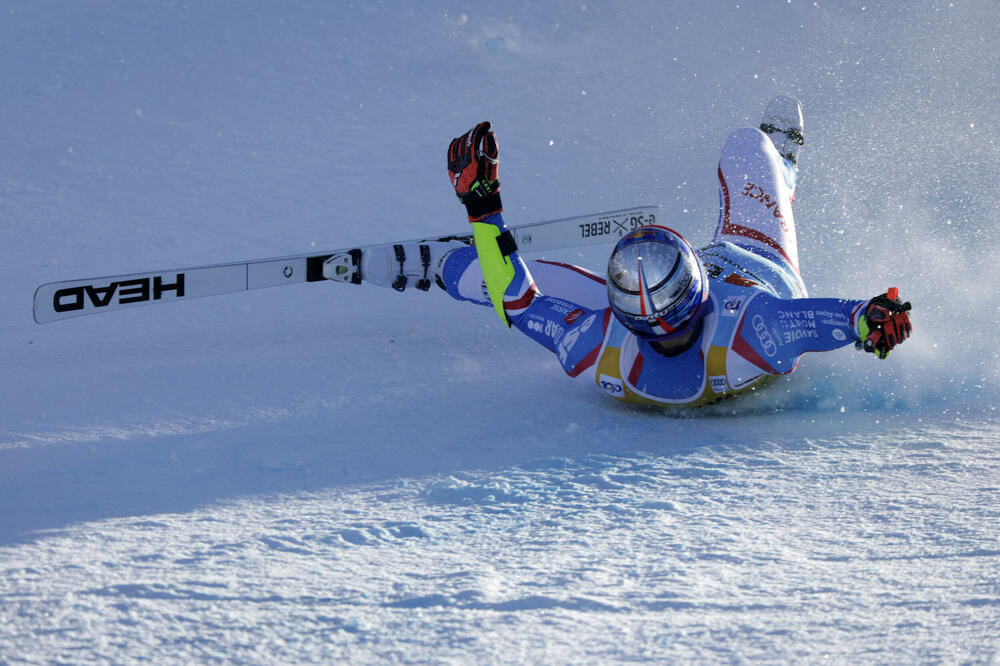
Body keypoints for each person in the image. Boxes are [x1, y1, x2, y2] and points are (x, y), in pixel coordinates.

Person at [347, 97, 913, 407]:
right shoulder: (753, 329)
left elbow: (517, 304)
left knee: (485, 277)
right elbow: (835, 320)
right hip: (753, 259)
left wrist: (483, 210)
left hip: (693, 284)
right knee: (749, 146)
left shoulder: (602, 342)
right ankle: (777, 167)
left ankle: (448, 267)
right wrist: (872, 320)